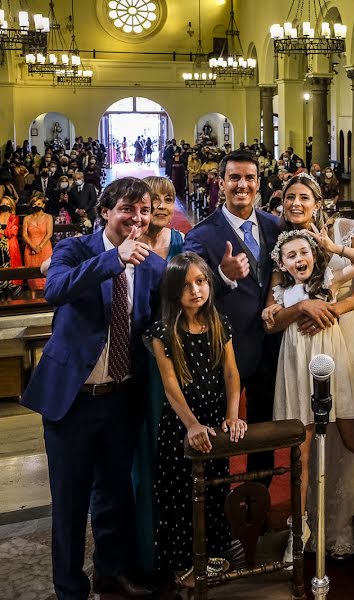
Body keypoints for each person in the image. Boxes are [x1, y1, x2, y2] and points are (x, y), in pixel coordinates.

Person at [21, 177, 165, 599]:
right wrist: (113, 261)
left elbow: (184, 291)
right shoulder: (76, 249)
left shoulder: (152, 265)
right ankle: (69, 588)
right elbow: (55, 288)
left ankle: (110, 572)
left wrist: (225, 278)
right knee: (69, 502)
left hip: (120, 398)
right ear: (105, 211)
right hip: (73, 401)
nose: (136, 219)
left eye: (144, 211)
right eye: (127, 209)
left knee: (114, 494)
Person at [266, 173, 354, 558]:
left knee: (349, 432)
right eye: (288, 197)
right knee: (303, 445)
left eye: (303, 197)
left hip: (335, 344)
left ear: (317, 201)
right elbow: (271, 317)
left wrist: (331, 250)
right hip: (297, 359)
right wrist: (293, 308)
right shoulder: (284, 275)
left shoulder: (328, 271)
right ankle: (301, 533)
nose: (295, 203)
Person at [183, 150, 284, 485]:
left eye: (250, 178)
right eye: (235, 178)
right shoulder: (202, 234)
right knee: (220, 433)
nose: (243, 185)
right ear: (221, 182)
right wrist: (222, 277)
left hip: (270, 347)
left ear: (258, 183)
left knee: (263, 431)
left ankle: (258, 497)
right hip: (225, 349)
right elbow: (189, 294)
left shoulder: (275, 226)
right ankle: (216, 507)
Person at [149, 252, 245, 589]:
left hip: (216, 422)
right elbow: (171, 387)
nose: (196, 290)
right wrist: (191, 425)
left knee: (216, 491)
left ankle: (214, 555)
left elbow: (231, 372)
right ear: (174, 290)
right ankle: (181, 565)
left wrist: (232, 415)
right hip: (181, 427)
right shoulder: (163, 330)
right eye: (187, 285)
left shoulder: (219, 321)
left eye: (201, 282)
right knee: (181, 497)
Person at [131, 175, 185, 571]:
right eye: (155, 200)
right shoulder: (129, 243)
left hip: (173, 352)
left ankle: (174, 542)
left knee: (172, 445)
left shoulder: (180, 243)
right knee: (141, 447)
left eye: (169, 198)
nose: (164, 206)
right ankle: (141, 549)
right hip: (135, 353)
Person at [22, 195, 54, 290]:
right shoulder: (27, 218)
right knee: (32, 276)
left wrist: (39, 247)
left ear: (43, 205)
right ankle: (33, 299)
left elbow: (49, 233)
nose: (36, 206)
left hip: (45, 248)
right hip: (30, 249)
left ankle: (47, 300)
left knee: (46, 273)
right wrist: (33, 247)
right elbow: (24, 235)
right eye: (34, 204)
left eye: (39, 204)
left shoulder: (48, 217)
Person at [0, 196, 23, 297]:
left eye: (7, 203)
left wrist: (2, 231)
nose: (5, 205)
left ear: (11, 205)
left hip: (10, 246)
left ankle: (11, 293)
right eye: (3, 203)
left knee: (12, 268)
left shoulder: (14, 217)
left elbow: (13, 231)